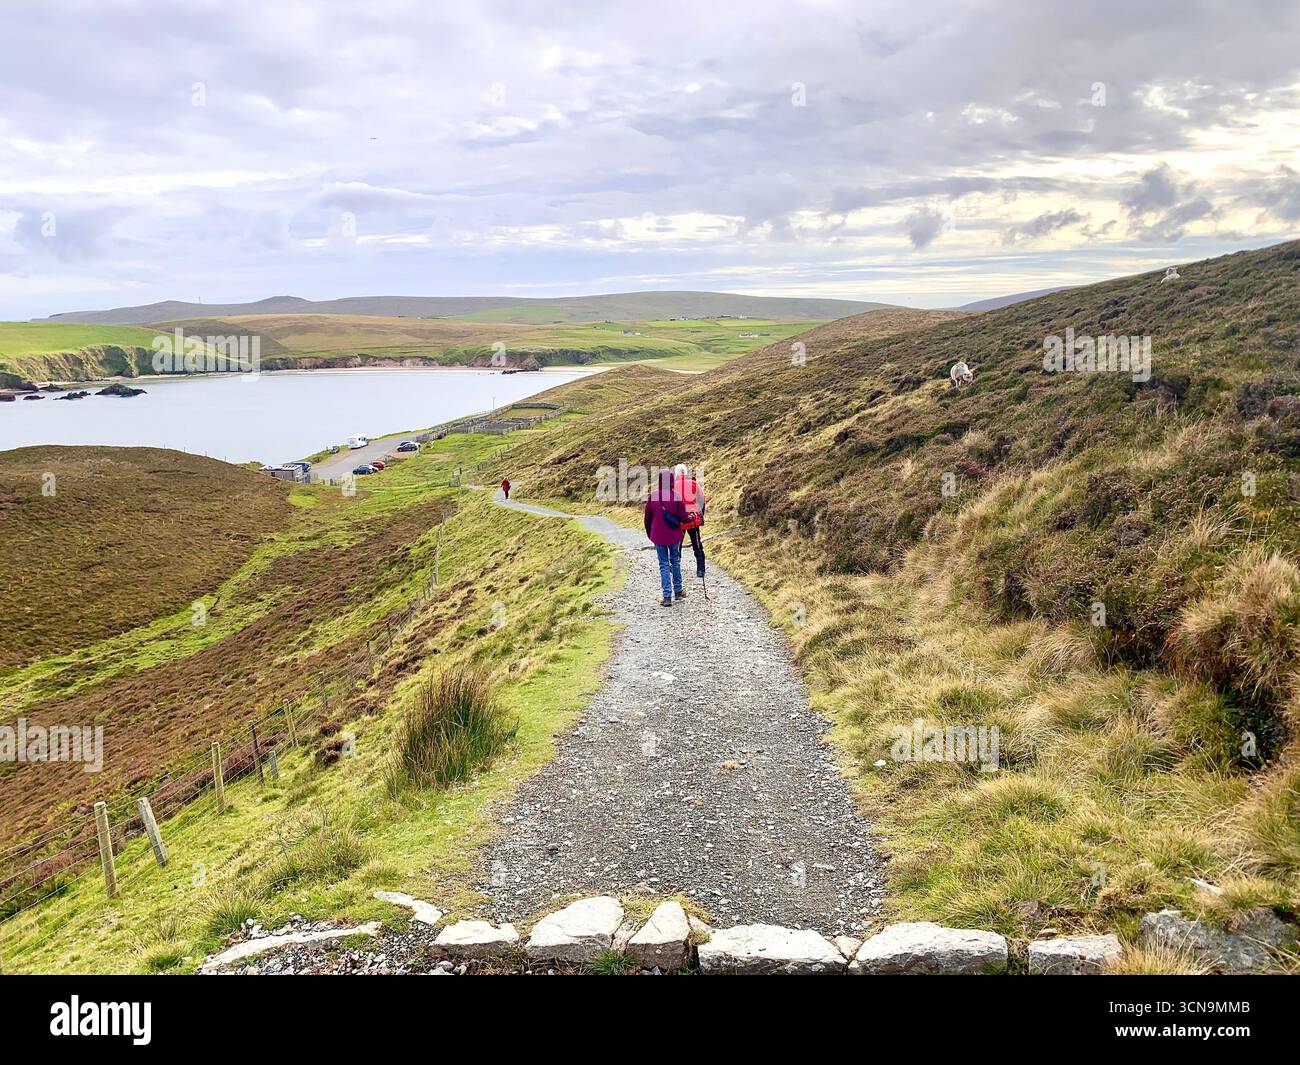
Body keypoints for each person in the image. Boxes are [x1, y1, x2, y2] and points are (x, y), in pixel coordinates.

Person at [644, 467, 689, 606]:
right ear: (671, 481)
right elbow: (683, 518)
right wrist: (691, 516)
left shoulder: (653, 496)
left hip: (658, 536)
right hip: (674, 535)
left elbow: (647, 519)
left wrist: (650, 534)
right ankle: (678, 590)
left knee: (663, 565)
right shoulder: (676, 496)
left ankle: (667, 597)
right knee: (675, 561)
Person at [672, 463, 706, 579]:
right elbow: (702, 499)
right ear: (686, 472)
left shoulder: (673, 486)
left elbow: (670, 504)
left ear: (676, 473)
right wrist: (700, 515)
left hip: (679, 520)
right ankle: (701, 569)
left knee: (677, 545)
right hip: (693, 518)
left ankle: (675, 567)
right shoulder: (693, 484)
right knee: (697, 543)